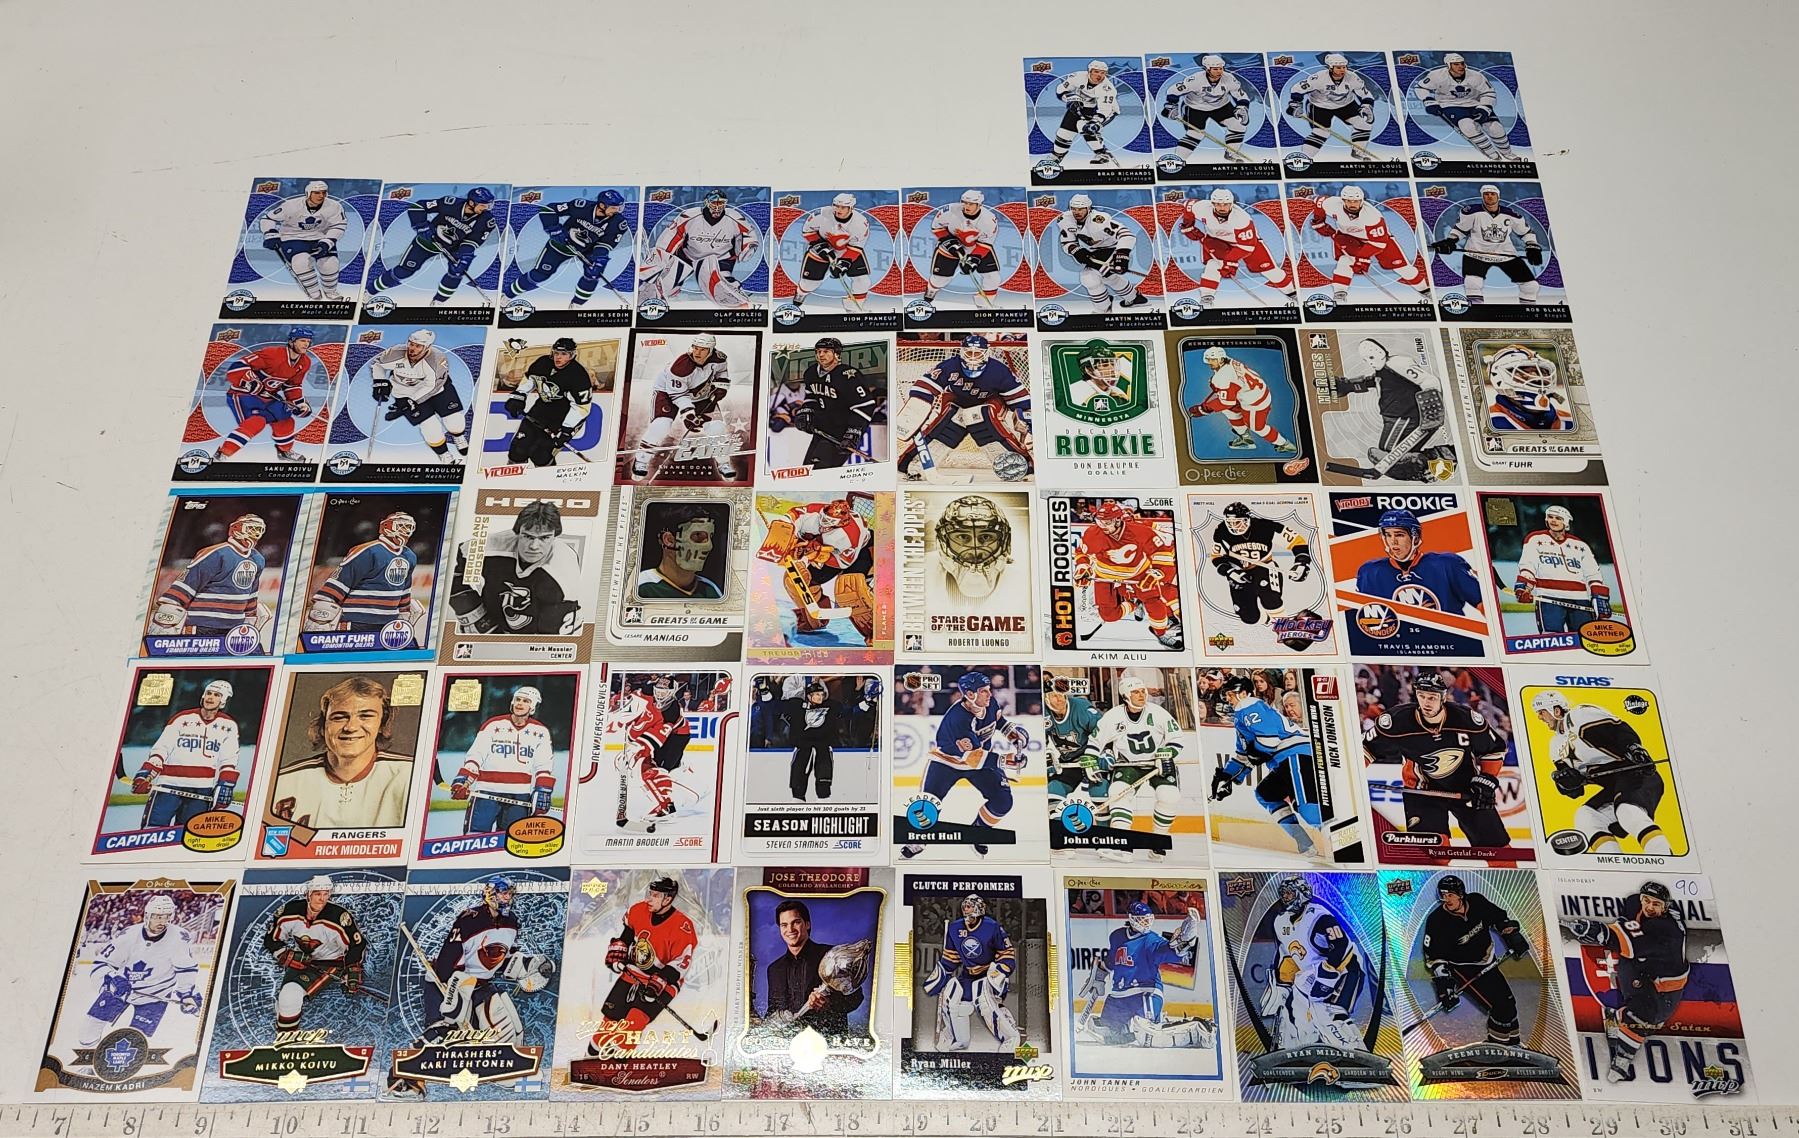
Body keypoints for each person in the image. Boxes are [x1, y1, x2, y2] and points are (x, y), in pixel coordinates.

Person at [1362, 671, 1509, 850]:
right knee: (1436, 855)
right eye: (1421, 696)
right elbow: (1365, 749)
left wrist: (1487, 779)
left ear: (1443, 697)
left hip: (1467, 788)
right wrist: (1352, 777)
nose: (1426, 703)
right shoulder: (1397, 721)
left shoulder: (1466, 719)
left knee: (1500, 854)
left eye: (1431, 697)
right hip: (1422, 792)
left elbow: (1494, 749)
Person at [1561, 881, 1687, 1082]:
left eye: (1656, 904)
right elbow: (1627, 926)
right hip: (1643, 968)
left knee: (1647, 1022)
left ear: (1665, 907)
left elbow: (1633, 943)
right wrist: (1605, 932)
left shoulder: (1669, 931)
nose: (1649, 907)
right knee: (1629, 971)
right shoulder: (1634, 903)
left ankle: (1623, 1030)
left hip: (1665, 988)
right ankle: (1622, 1052)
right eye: (1646, 900)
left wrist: (1599, 932)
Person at [271, 676, 412, 829]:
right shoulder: (282, 781)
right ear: (324, 726)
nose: (350, 727)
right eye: (339, 717)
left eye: (365, 716)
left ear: (382, 724)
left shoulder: (410, 775)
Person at [587, 876, 698, 1055]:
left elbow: (681, 962)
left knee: (635, 1021)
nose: (649, 899)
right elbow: (627, 935)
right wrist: (618, 952)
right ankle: (590, 1057)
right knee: (610, 1021)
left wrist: (660, 981)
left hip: (664, 982)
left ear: (668, 899)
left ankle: (618, 1062)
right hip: (633, 973)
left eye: (655, 896)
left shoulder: (682, 926)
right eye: (650, 893)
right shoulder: (638, 910)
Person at [77, 894, 202, 1049]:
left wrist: (187, 994)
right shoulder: (129, 934)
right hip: (121, 989)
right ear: (147, 915)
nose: (162, 922)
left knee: (135, 1043)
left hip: (156, 995)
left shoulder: (179, 937)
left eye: (166, 917)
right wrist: (113, 980)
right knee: (88, 1033)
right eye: (157, 916)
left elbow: (186, 969)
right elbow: (101, 963)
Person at [1420, 874, 1533, 1046]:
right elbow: (1434, 955)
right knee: (1500, 1007)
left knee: (1509, 1003)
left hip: (1487, 961)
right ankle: (1498, 1047)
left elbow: (1499, 918)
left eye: (1450, 895)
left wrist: (1512, 935)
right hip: (1464, 969)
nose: (1446, 899)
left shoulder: (1477, 902)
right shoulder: (1437, 921)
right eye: (1443, 895)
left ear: (1461, 894)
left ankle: (1514, 1045)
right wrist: (1444, 984)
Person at [449, 501, 583, 636]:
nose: (534, 546)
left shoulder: (562, 570)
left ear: (555, 536)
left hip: (540, 631)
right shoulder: (489, 547)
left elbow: (552, 636)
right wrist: (477, 618)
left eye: (544, 538)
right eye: (528, 536)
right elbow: (450, 574)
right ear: (517, 532)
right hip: (496, 622)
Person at [132, 679, 240, 828]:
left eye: (216, 695)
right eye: (208, 693)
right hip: (169, 786)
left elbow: (228, 760)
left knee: (188, 835)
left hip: (201, 791)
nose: (210, 697)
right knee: (152, 831)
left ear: (223, 701)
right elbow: (161, 749)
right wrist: (147, 774)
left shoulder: (228, 725)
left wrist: (226, 785)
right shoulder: (182, 718)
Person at [264, 875, 366, 1030]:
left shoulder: (338, 917)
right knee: (284, 998)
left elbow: (356, 945)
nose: (322, 899)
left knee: (290, 996)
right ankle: (284, 1032)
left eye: (326, 894)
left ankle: (287, 1035)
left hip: (330, 963)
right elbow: (272, 939)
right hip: (302, 960)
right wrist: (284, 954)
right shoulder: (290, 911)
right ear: (308, 894)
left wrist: (351, 969)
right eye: (318, 894)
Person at [921, 893, 1019, 1051]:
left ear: (979, 908)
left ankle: (1010, 1037)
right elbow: (950, 959)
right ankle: (958, 1039)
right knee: (950, 996)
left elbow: (1007, 954)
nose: (966, 909)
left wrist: (999, 972)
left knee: (984, 1001)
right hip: (967, 975)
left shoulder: (992, 927)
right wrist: (937, 980)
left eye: (970, 906)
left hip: (989, 974)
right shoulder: (955, 928)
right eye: (965, 906)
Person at [451, 686, 556, 833]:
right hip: (486, 792)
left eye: (526, 701)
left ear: (532, 707)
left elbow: (543, 765)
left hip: (519, 796)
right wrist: (465, 781)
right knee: (475, 838)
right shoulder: (493, 725)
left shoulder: (540, 732)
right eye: (517, 699)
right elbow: (476, 755)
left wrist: (543, 790)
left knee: (511, 841)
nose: (520, 703)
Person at [764, 898, 864, 1039]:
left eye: (796, 922)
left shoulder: (831, 955)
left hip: (828, 1043)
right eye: (784, 925)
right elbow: (773, 1011)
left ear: (807, 924)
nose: (790, 929)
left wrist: (829, 1004)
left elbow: (856, 997)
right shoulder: (774, 969)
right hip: (790, 1046)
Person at [504, 338, 593, 467]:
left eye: (564, 354)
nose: (558, 357)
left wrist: (566, 430)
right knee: (518, 450)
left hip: (563, 417)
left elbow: (581, 407)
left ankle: (546, 478)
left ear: (572, 355)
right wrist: (519, 396)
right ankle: (512, 478)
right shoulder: (543, 363)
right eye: (556, 353)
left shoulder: (578, 376)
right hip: (541, 410)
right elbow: (530, 379)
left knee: (540, 454)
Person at [636, 505, 724, 599]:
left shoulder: (711, 590)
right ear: (669, 540)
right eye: (698, 535)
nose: (709, 546)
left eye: (710, 537)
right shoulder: (640, 587)